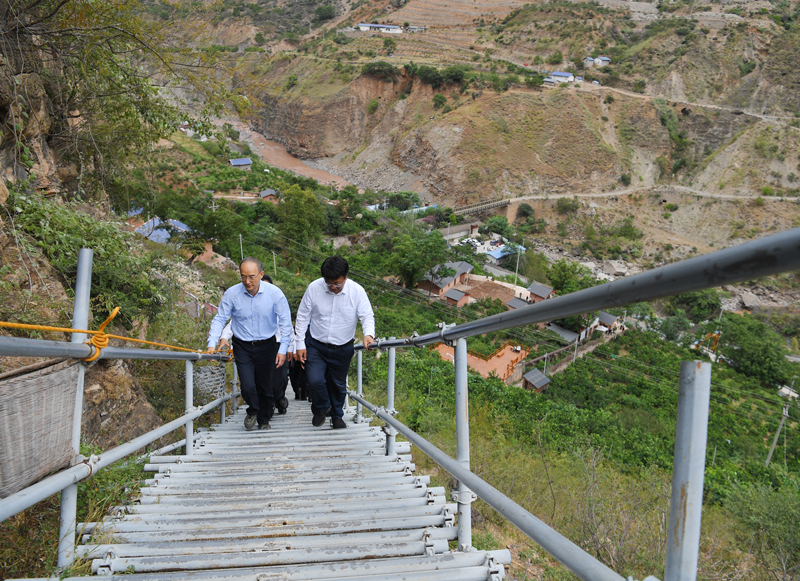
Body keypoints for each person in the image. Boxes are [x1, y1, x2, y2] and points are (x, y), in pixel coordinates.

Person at [207, 257, 292, 431]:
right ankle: (253, 410)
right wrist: (212, 343)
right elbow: (220, 318)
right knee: (246, 384)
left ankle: (264, 419)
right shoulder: (232, 293)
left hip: (267, 344)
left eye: (252, 276)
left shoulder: (275, 293)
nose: (247, 281)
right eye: (243, 276)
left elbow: (285, 323)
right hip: (242, 345)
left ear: (261, 274)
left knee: (265, 384)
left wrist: (283, 349)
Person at [295, 256, 374, 429]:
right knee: (314, 380)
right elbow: (302, 316)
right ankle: (322, 407)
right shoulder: (314, 288)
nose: (333, 287)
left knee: (338, 384)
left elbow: (366, 315)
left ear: (346, 277)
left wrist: (368, 334)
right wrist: (299, 343)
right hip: (316, 344)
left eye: (337, 283)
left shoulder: (357, 291)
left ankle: (337, 416)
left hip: (343, 347)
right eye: (329, 283)